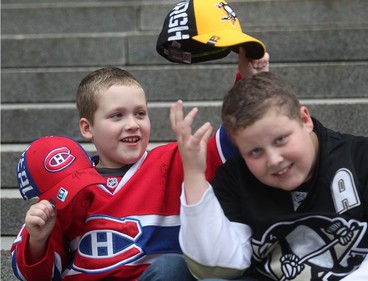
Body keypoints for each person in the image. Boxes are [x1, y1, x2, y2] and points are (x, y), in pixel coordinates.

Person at [11, 47, 270, 280]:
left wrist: (251, 81)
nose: (133, 124)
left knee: (172, 269)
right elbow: (34, 275)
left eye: (140, 113)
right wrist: (38, 239)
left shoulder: (173, 161)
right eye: (117, 116)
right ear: (87, 128)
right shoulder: (67, 185)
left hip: (160, 276)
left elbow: (234, 140)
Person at [173, 72, 368, 280]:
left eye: (280, 140)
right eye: (255, 151)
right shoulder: (235, 178)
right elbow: (219, 265)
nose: (274, 160)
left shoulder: (363, 158)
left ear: (305, 119)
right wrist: (194, 174)